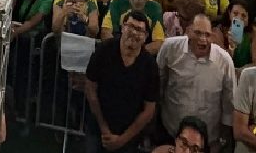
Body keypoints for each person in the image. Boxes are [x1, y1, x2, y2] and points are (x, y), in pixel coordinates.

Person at [156, 14, 236, 150]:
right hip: (171, 131)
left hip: (208, 140)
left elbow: (229, 103)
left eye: (207, 34)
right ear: (188, 31)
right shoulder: (170, 48)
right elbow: (158, 83)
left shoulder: (224, 61)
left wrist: (224, 139)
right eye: (198, 33)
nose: (203, 39)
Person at [84, 9, 160, 153]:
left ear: (146, 37)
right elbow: (90, 88)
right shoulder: (104, 50)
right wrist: (103, 127)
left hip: (129, 134)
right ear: (122, 27)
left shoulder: (150, 66)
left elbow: (149, 110)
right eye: (130, 26)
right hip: (97, 128)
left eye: (139, 30)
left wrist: (122, 139)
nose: (134, 32)